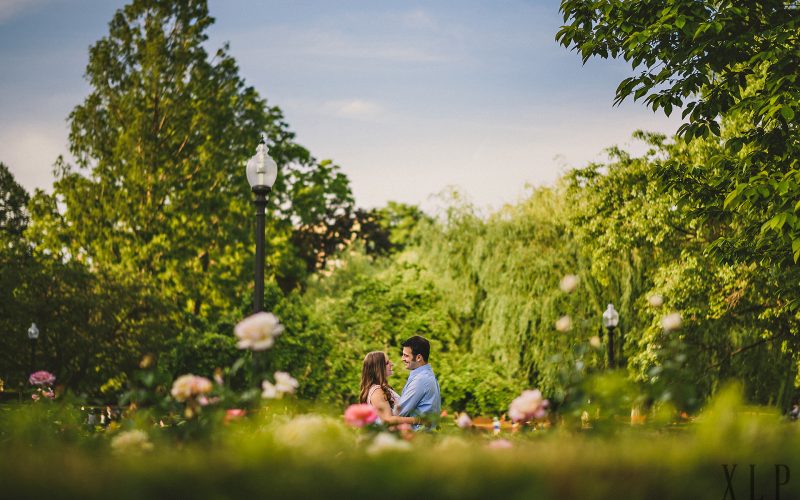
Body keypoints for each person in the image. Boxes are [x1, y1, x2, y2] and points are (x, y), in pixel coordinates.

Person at [360, 351, 419, 425]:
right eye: (387, 363)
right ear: (378, 368)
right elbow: (387, 419)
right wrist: (418, 420)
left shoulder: (380, 388)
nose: (392, 364)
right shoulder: (377, 391)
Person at [397, 335, 441, 426]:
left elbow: (398, 412)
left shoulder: (421, 380)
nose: (402, 359)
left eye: (406, 355)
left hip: (417, 437)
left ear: (418, 358)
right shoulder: (427, 375)